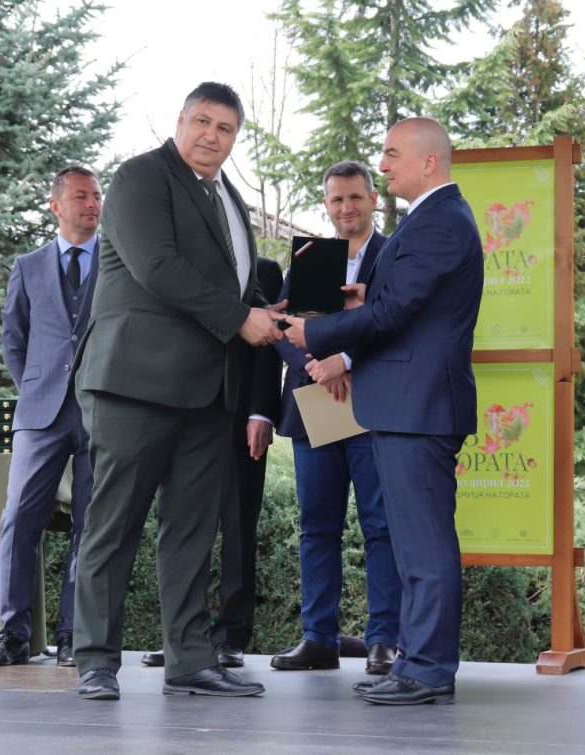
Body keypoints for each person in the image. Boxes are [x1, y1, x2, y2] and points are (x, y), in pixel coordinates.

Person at [71, 81, 282, 701]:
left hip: (210, 393)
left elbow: (236, 286)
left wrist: (281, 315)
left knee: (191, 532)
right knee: (114, 526)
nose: (212, 136)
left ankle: (190, 660)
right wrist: (241, 319)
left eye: (226, 129)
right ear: (181, 120)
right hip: (135, 385)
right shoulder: (141, 177)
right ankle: (95, 661)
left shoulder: (229, 197)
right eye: (203, 121)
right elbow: (158, 268)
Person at [279, 117, 483, 705]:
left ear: (428, 162)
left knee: (423, 546)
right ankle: (416, 662)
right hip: (405, 405)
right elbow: (405, 304)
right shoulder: (430, 218)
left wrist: (315, 332)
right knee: (413, 545)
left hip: (418, 406)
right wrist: (366, 299)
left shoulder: (439, 219)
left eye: (392, 154)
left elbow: (396, 315)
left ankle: (429, 668)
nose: (384, 165)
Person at [270, 161, 402, 675]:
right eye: (336, 199)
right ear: (326, 205)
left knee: (380, 525)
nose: (346, 208)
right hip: (315, 408)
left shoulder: (394, 254)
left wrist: (344, 361)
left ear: (372, 199)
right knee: (317, 527)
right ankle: (318, 638)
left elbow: (399, 321)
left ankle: (384, 639)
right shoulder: (310, 257)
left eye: (355, 197)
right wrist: (317, 366)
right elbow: (283, 324)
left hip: (373, 405)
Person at [0, 167, 102, 669]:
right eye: (81, 196)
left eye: (97, 196)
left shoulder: (118, 263)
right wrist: (34, 386)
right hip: (39, 412)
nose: (92, 204)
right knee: (19, 518)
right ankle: (12, 634)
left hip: (100, 409)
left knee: (91, 523)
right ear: (56, 205)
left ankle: (74, 635)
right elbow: (13, 337)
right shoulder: (27, 266)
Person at [141, 255, 283, 670]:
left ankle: (231, 636)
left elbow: (270, 346)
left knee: (238, 529)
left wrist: (262, 413)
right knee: (182, 528)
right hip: (182, 413)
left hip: (240, 419)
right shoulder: (176, 268)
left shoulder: (263, 270)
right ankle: (183, 638)